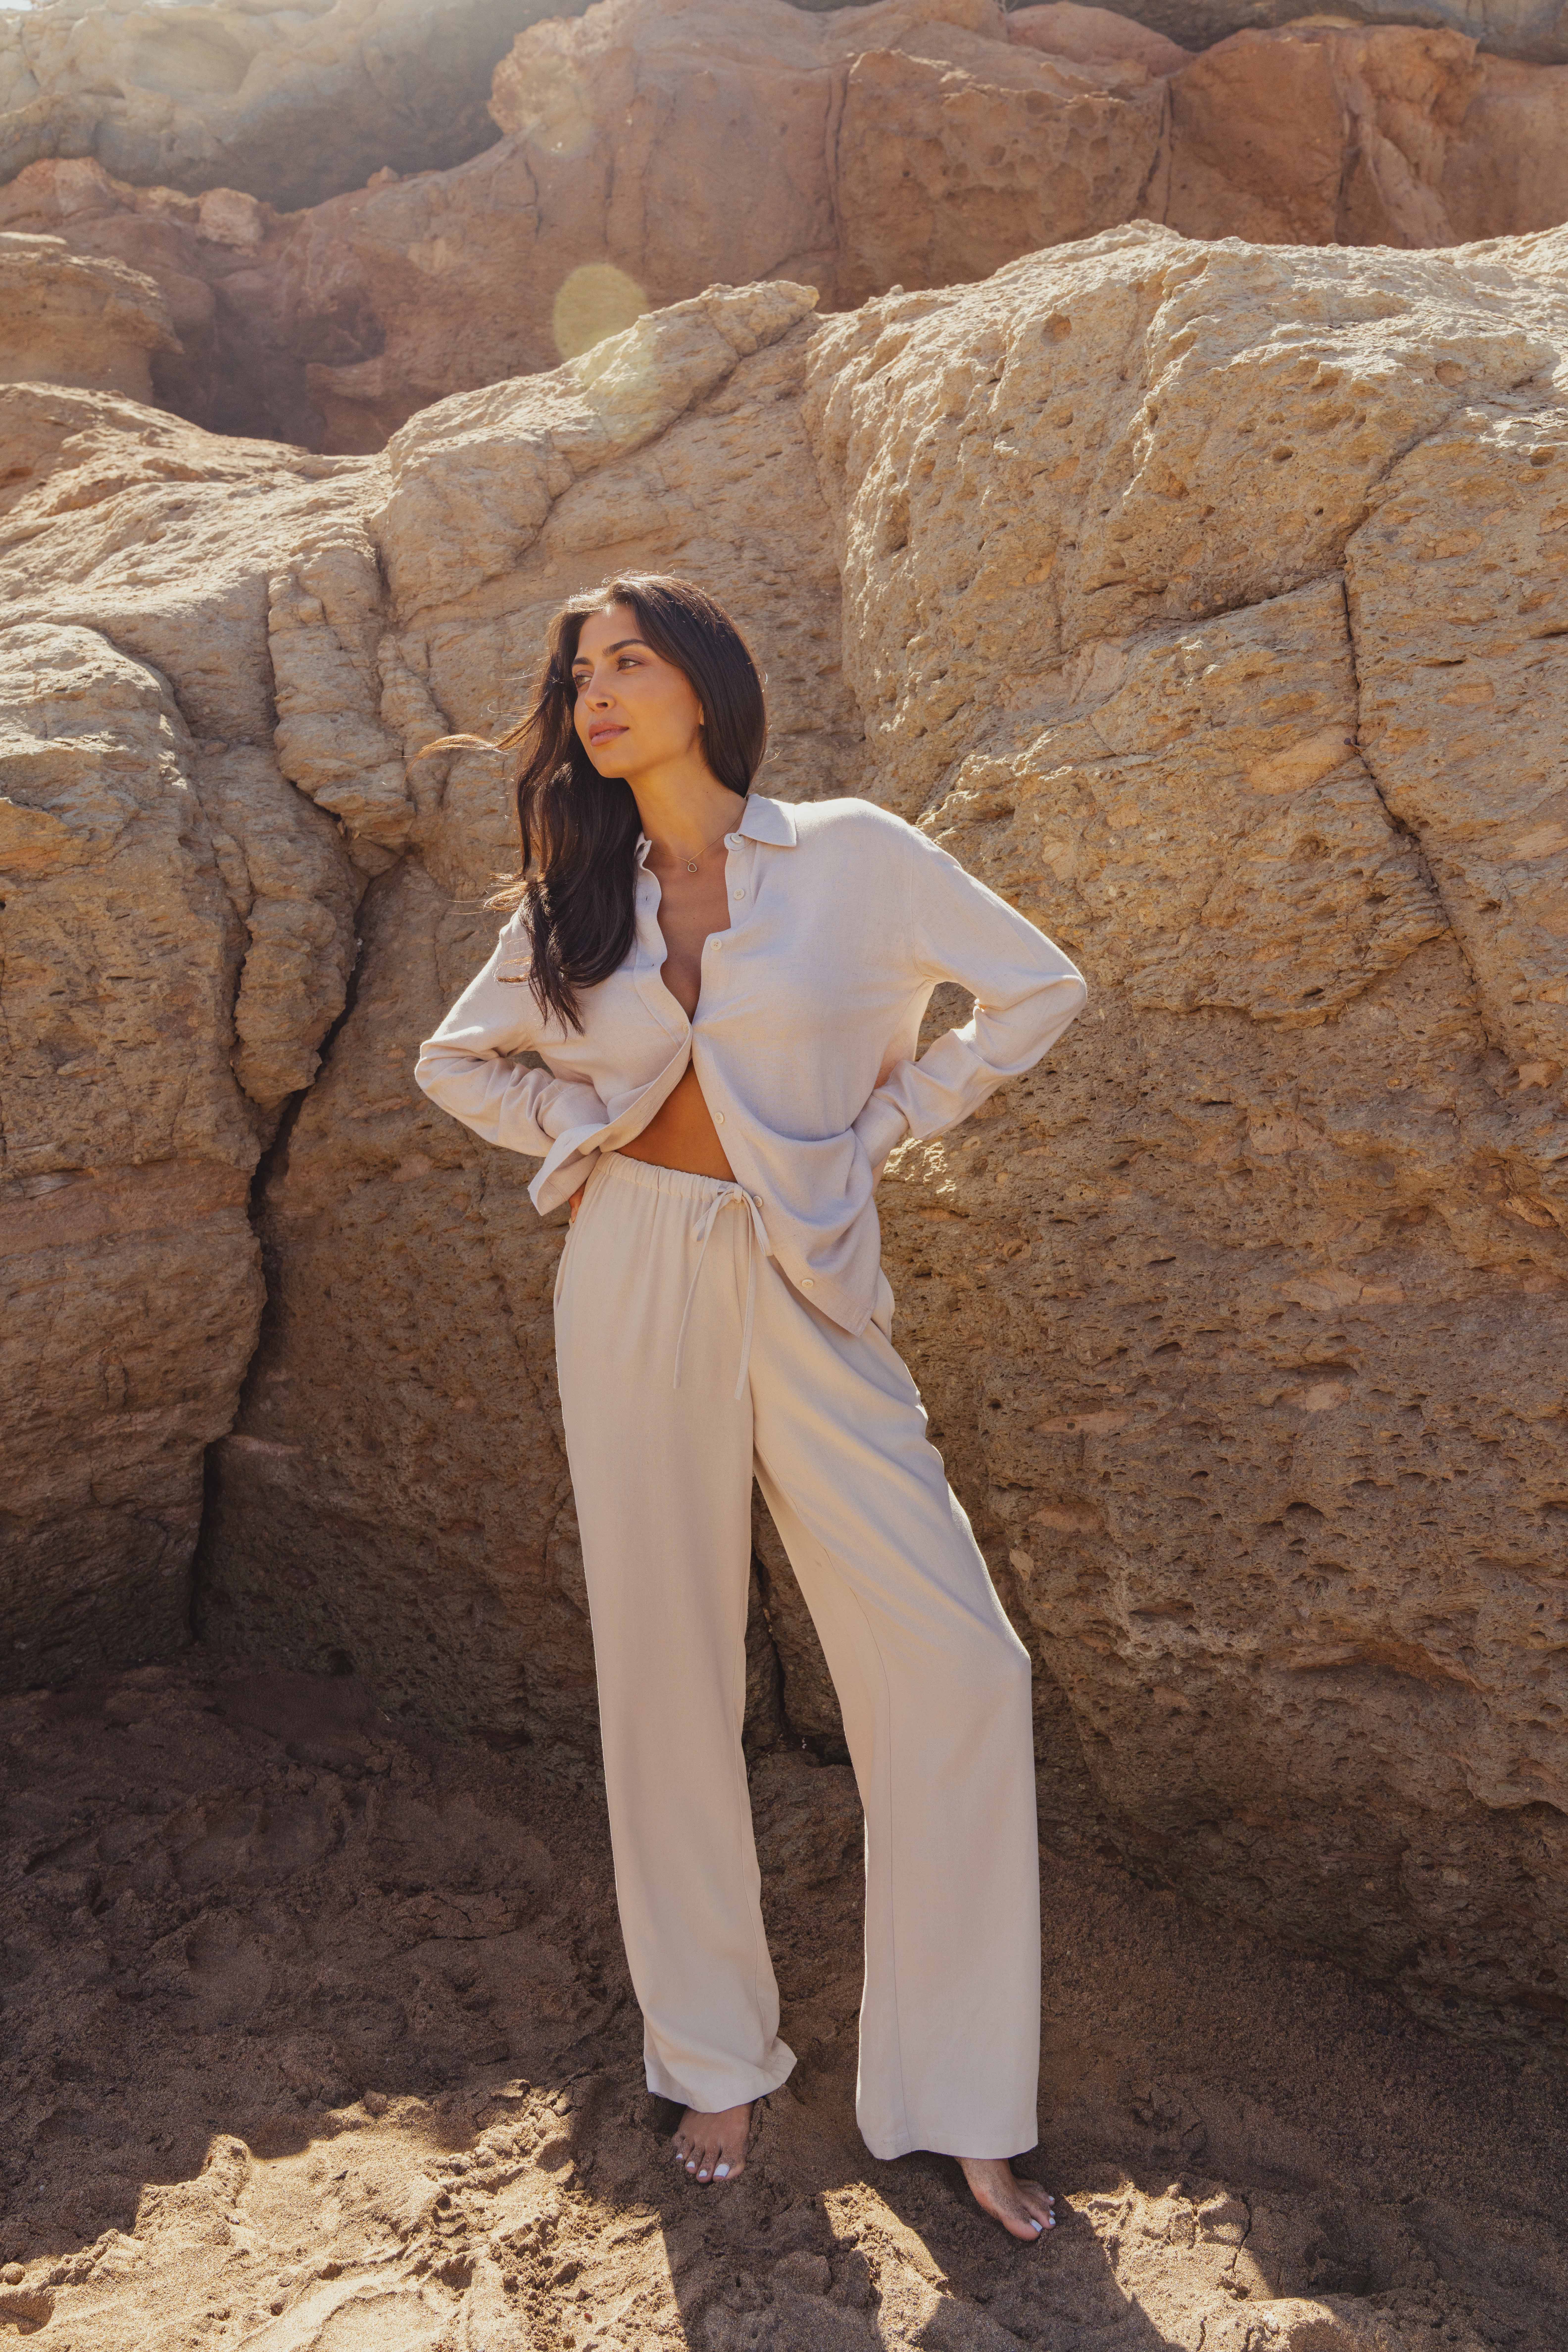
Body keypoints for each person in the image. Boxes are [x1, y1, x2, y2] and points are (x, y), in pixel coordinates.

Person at [414, 574, 1087, 2242]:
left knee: (959, 1668)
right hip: (631, 1271)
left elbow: (1038, 986)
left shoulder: (853, 853)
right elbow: (456, 1060)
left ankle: (959, 2099)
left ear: (704, 684)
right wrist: (589, 1142)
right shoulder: (579, 897)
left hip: (805, 1282)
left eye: (628, 661)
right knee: (666, 1677)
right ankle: (714, 2053)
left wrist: (872, 1133)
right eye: (578, 675)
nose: (597, 693)